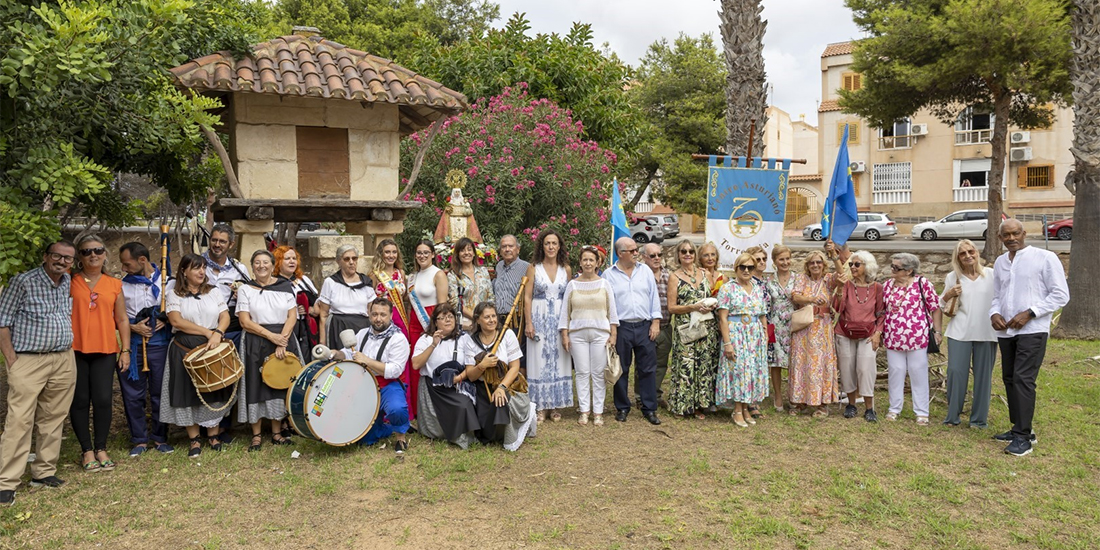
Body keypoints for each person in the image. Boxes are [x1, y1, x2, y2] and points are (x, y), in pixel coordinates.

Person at [0, 241, 79, 506]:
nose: (62, 261)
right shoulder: (22, 281)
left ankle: (44, 472)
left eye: (68, 258)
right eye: (57, 256)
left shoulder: (68, 282)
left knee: (53, 417)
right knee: (19, 420)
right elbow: (3, 322)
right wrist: (12, 360)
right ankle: (6, 482)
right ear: (45, 256)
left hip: (63, 359)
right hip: (29, 360)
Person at [989, 219, 1068, 456]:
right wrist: (994, 313)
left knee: (1023, 379)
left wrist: (1030, 313)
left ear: (1024, 233)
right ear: (1000, 237)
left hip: (1032, 330)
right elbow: (997, 295)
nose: (1011, 238)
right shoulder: (1001, 262)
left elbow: (1061, 295)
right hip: (1006, 330)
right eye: (1006, 235)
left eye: (1016, 233)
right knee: (1010, 378)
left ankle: (1023, 439)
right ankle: (1019, 428)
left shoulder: (1045, 258)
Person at [161, 253, 233, 458]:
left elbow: (225, 315)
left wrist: (217, 333)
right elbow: (176, 321)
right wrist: (206, 332)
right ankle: (194, 439)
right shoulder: (174, 294)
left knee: (214, 389)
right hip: (185, 348)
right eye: (196, 268)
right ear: (184, 271)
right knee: (186, 392)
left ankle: (213, 434)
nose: (202, 272)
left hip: (212, 345)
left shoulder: (214, 291)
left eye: (203, 267)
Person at [69, 235, 130, 472]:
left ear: (105, 254)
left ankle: (101, 447)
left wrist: (125, 350)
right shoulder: (69, 281)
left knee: (104, 399)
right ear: (79, 257)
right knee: (80, 400)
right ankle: (86, 450)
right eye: (86, 251)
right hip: (75, 349)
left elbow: (122, 319)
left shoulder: (114, 284)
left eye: (97, 250)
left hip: (105, 349)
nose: (93, 255)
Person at [236, 250, 298, 451]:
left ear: (273, 265)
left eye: (265, 262)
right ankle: (256, 434)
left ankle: (277, 432)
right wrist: (272, 337)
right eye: (256, 262)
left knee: (278, 384)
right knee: (255, 384)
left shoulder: (285, 286)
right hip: (256, 339)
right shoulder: (246, 289)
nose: (261, 266)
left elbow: (292, 316)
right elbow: (245, 321)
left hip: (283, 337)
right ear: (252, 266)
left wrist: (282, 341)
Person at [334, 298, 411, 457]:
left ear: (390, 315)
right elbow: (349, 353)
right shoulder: (362, 334)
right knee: (365, 439)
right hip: (364, 384)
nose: (378, 318)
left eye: (383, 314)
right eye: (374, 314)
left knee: (396, 409)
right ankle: (384, 428)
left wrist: (367, 361)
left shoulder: (398, 339)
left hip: (389, 385)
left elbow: (395, 370)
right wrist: (335, 354)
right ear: (369, 314)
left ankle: (401, 436)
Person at [118, 241, 174, 455]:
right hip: (133, 347)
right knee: (133, 395)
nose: (124, 269)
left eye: (127, 264)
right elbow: (114, 317)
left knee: (161, 393)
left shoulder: (167, 281)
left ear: (142, 260)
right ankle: (139, 439)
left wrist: (166, 320)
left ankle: (160, 437)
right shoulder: (122, 286)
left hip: (160, 345)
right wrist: (133, 327)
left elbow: (180, 309)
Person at [938, 240, 998, 428]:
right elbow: (940, 304)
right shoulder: (952, 277)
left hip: (987, 332)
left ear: (977, 252)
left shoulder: (992, 275)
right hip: (959, 331)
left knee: (983, 376)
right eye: (962, 254)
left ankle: (979, 420)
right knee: (956, 372)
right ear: (958, 258)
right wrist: (947, 295)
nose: (968, 256)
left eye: (970, 251)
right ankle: (952, 416)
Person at [461, 301, 537, 450]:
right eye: (487, 317)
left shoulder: (507, 334)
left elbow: (515, 367)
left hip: (507, 384)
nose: (492, 320)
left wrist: (502, 387)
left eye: (494, 316)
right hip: (482, 388)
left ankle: (507, 434)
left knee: (501, 400)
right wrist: (482, 365)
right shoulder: (471, 341)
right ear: (477, 320)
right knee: (485, 432)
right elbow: (471, 376)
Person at [604, 237, 662, 425]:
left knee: (647, 369)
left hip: (645, 326)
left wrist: (656, 322)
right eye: (633, 250)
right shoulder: (608, 275)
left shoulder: (645, 271)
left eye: (637, 249)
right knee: (622, 369)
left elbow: (654, 298)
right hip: (622, 327)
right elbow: (606, 304)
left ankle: (649, 408)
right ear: (621, 253)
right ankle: (622, 407)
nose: (637, 253)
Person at [559, 245, 619, 426]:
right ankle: (584, 411)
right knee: (582, 372)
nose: (588, 263)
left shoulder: (604, 284)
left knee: (598, 373)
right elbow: (565, 312)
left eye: (591, 260)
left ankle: (598, 412)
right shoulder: (573, 284)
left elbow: (612, 312)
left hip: (600, 334)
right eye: (584, 259)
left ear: (597, 262)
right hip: (577, 334)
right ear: (580, 262)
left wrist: (613, 333)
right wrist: (564, 334)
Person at [882, 252, 942, 425]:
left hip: (917, 338)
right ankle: (894, 408)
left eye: (896, 267)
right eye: (892, 266)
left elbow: (935, 307)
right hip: (893, 337)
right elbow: (882, 310)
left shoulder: (922, 284)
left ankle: (922, 412)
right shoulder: (887, 285)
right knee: (895, 372)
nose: (892, 269)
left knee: (918, 372)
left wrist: (937, 332)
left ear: (908, 271)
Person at [665, 240, 719, 419]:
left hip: (706, 328)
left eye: (691, 251)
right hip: (686, 329)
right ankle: (682, 406)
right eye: (683, 251)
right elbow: (672, 307)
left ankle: (699, 405)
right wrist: (693, 307)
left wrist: (710, 306)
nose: (687, 254)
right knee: (686, 367)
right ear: (678, 255)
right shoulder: (675, 277)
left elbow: (713, 296)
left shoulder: (705, 274)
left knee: (703, 366)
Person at [413, 304, 479, 448]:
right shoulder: (425, 339)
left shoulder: (464, 339)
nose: (447, 320)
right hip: (433, 387)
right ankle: (441, 433)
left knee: (465, 404)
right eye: (442, 318)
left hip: (457, 383)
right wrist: (433, 345)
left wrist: (459, 378)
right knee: (461, 405)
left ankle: (466, 436)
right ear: (435, 322)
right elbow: (416, 365)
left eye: (450, 317)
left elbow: (471, 365)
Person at [715, 253, 770, 427]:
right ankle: (737, 410)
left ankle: (746, 408)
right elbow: (722, 318)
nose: (746, 270)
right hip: (736, 334)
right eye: (743, 267)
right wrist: (727, 343)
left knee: (752, 371)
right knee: (739, 371)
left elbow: (762, 314)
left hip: (755, 335)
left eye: (750, 267)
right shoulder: (727, 288)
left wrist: (765, 334)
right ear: (736, 268)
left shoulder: (757, 288)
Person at [524, 229, 573, 421]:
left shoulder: (566, 269)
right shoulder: (533, 267)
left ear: (559, 246)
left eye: (554, 243)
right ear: (541, 246)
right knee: (539, 360)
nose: (551, 247)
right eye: (547, 243)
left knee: (559, 359)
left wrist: (568, 326)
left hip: (560, 320)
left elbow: (569, 298)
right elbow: (527, 297)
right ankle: (539, 406)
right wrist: (529, 322)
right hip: (539, 318)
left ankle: (555, 405)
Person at [833, 250, 884, 422]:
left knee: (865, 368)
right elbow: (837, 308)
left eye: (856, 264)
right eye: (851, 265)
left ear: (867, 267)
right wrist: (839, 288)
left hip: (868, 334)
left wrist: (878, 333)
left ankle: (870, 408)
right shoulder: (847, 285)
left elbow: (881, 313)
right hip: (845, 332)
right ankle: (851, 404)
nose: (852, 268)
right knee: (847, 368)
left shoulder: (877, 288)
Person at [789, 250, 841, 417]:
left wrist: (834, 256)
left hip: (822, 327)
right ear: (807, 265)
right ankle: (800, 401)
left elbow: (842, 274)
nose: (815, 265)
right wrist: (811, 299)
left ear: (823, 264)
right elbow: (795, 297)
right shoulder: (802, 279)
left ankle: (822, 403)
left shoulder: (828, 280)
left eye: (818, 262)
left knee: (821, 363)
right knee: (802, 362)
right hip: (804, 327)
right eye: (812, 262)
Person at [370, 239, 417, 419]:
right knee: (384, 359)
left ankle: (406, 411)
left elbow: (405, 300)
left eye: (394, 252)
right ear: (381, 254)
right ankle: (384, 413)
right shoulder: (375, 275)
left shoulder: (401, 273)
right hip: (383, 320)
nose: (391, 255)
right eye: (387, 252)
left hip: (400, 320)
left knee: (402, 362)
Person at [316, 244, 376, 347]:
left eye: (354, 258)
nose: (351, 262)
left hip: (362, 328)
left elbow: (371, 312)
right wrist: (323, 341)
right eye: (347, 259)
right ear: (339, 261)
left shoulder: (366, 282)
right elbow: (323, 314)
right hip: (338, 329)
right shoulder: (330, 282)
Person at [203, 223, 249, 348]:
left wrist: (241, 295)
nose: (217, 245)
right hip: (203, 322)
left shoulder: (239, 269)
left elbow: (250, 298)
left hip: (232, 326)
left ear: (231, 244)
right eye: (214, 240)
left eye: (222, 241)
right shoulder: (198, 265)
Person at [638, 242, 672, 409]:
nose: (657, 258)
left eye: (659, 254)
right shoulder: (640, 276)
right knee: (643, 364)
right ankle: (640, 396)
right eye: (653, 255)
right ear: (644, 257)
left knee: (661, 364)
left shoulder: (669, 276)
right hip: (646, 327)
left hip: (666, 326)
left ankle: (656, 394)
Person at [274, 245, 320, 359]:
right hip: (286, 328)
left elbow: (316, 300)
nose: (292, 261)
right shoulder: (274, 283)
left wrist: (310, 308)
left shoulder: (304, 280)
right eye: (287, 259)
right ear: (278, 262)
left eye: (294, 258)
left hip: (307, 328)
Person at [764, 245, 795, 412]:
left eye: (787, 259)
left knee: (793, 362)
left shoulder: (798, 278)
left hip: (794, 325)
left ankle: (794, 395)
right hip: (775, 325)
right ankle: (777, 395)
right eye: (781, 259)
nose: (785, 262)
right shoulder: (768, 281)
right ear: (775, 261)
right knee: (775, 362)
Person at [493, 235, 530, 368]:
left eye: (511, 246)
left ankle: (519, 386)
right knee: (502, 355)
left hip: (517, 320)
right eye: (504, 247)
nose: (507, 249)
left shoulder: (527, 268)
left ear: (518, 249)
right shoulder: (499, 267)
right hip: (498, 320)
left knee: (519, 358)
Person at [448, 237, 494, 330]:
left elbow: (490, 297)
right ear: (457, 254)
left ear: (474, 253)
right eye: (462, 250)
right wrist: (476, 318)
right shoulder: (453, 275)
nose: (466, 253)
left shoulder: (483, 271)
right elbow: (455, 302)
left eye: (469, 250)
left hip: (486, 321)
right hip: (466, 323)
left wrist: (488, 317)